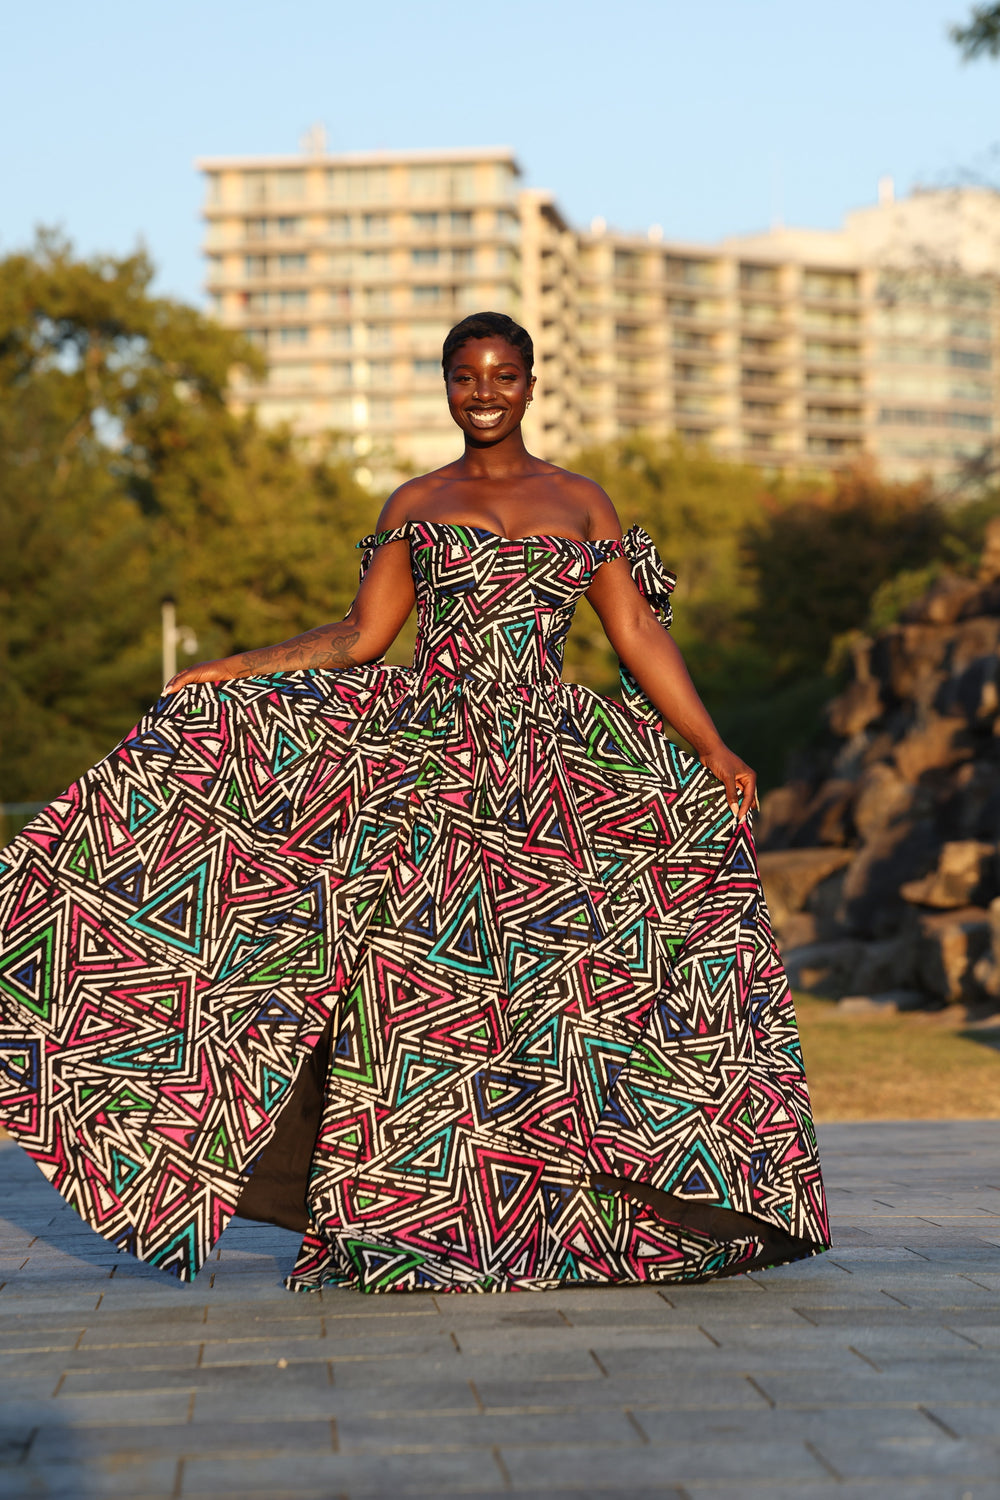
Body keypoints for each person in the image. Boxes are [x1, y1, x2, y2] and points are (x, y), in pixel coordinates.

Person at [0, 312, 829, 1292]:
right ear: (446, 383)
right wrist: (234, 667)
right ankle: (407, 1221)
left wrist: (712, 745)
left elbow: (638, 633)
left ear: (529, 384)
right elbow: (361, 636)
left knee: (575, 989)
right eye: (466, 376)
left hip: (551, 776)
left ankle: (594, 1207)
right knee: (422, 1001)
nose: (484, 392)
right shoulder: (415, 501)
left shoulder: (581, 502)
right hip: (428, 773)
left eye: (503, 376)